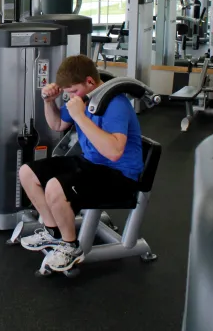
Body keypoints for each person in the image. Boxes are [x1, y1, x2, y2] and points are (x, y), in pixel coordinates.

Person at [17, 55, 144, 272]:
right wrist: (49, 102)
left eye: (74, 91)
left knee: (55, 187)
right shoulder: (83, 98)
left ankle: (70, 246)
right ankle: (53, 231)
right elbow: (57, 124)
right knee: (28, 172)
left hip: (120, 175)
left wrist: (81, 117)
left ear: (90, 82)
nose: (71, 97)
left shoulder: (116, 104)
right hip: (90, 163)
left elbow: (114, 152)